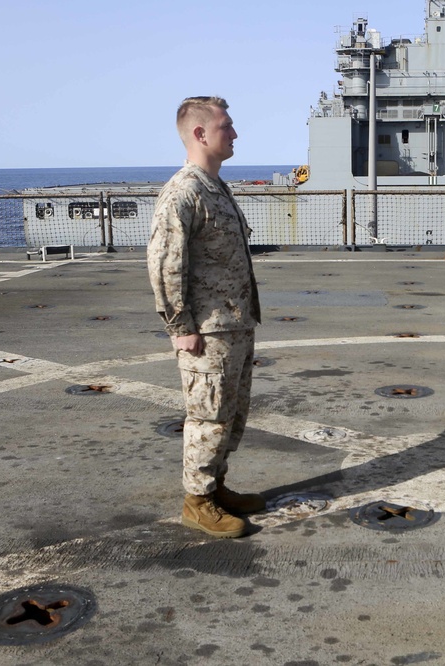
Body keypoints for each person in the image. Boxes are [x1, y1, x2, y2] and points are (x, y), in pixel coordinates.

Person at [147, 96, 264, 539]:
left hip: (234, 323)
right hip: (208, 330)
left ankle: (214, 487)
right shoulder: (185, 191)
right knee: (208, 416)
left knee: (231, 415)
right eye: (226, 127)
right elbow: (164, 263)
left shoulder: (216, 187)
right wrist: (181, 328)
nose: (234, 134)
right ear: (200, 134)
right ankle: (196, 502)